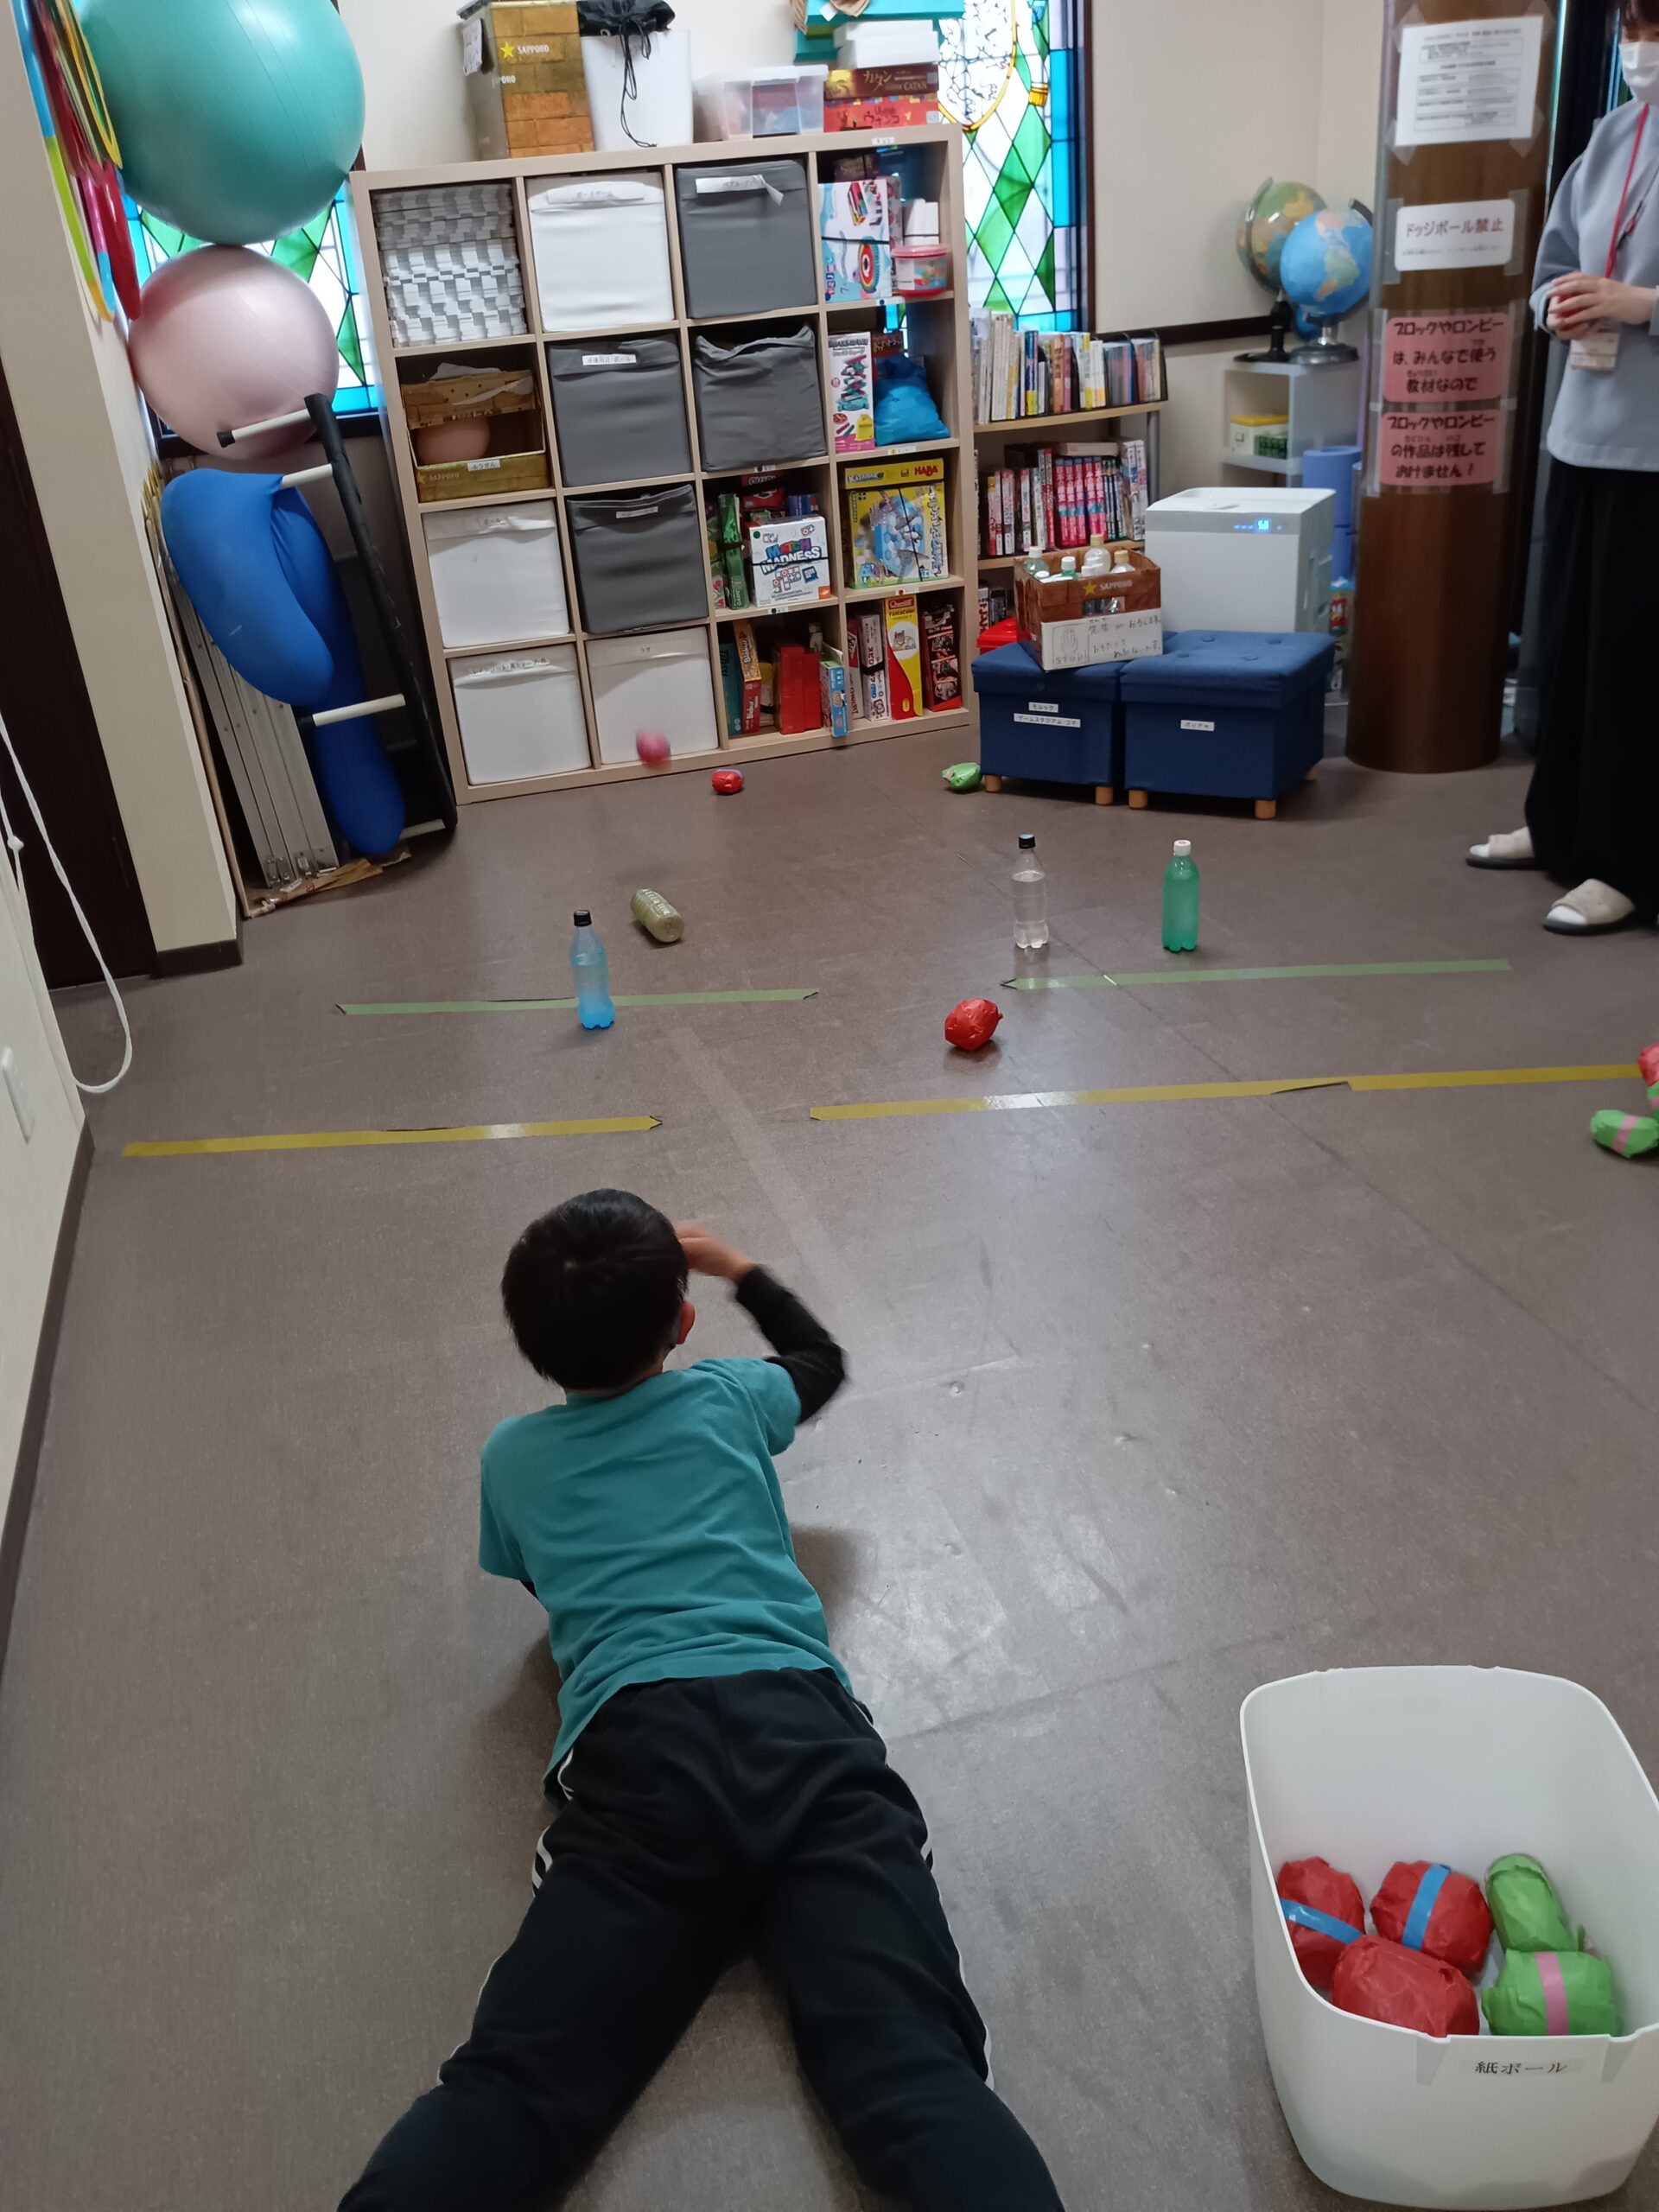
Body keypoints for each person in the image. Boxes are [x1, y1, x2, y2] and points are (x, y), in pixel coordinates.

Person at [340, 1190, 1064, 2212]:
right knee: (913, 2072)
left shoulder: (510, 1457)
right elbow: (821, 1362)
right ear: (681, 1322)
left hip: (639, 1765)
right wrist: (737, 1268)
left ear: (534, 1348)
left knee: (514, 2087)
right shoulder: (730, 1396)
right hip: (804, 1737)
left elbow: (537, 1578)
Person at [1469, 2, 1659, 934]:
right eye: (1632, 28)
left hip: (1652, 448)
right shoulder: (1614, 133)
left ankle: (1624, 861)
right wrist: (1558, 303)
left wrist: (1639, 304)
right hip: (1581, 426)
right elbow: (1550, 262)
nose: (1638, 49)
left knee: (1633, 659)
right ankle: (1558, 827)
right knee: (1571, 641)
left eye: (1654, 29)